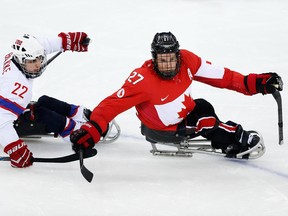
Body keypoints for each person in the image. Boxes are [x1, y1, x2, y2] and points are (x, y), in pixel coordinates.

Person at [70, 32, 283, 159]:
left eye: (171, 58)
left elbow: (223, 77)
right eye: (162, 60)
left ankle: (226, 141)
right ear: (154, 59)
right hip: (161, 130)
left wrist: (252, 83)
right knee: (205, 121)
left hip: (185, 115)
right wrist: (93, 130)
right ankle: (238, 138)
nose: (168, 64)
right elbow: (111, 105)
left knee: (203, 107)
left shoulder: (188, 61)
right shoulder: (142, 79)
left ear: (178, 55)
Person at [0, 32, 90, 168]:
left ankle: (78, 113)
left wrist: (65, 42)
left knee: (44, 101)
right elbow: (1, 120)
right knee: (40, 114)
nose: (37, 65)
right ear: (20, 60)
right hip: (3, 118)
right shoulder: (17, 86)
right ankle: (75, 131)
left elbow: (43, 45)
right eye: (32, 62)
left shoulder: (17, 56)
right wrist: (15, 149)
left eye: (39, 59)